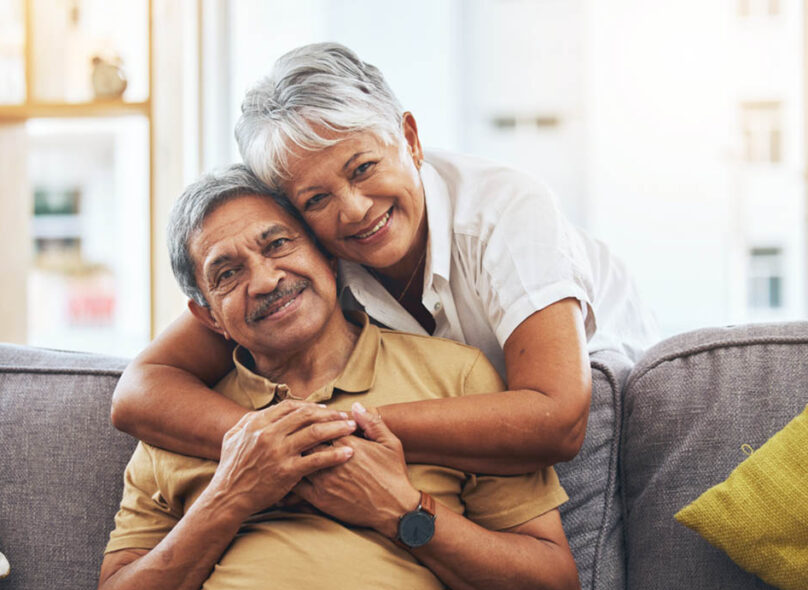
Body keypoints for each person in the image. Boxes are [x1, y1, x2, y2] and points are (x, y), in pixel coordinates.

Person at [12, 167, 580, 590]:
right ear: (209, 316)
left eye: (277, 244)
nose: (263, 281)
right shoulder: (182, 419)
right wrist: (230, 495)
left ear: (330, 258)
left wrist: (402, 510)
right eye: (228, 273)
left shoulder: (455, 377)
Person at [111, 43, 659, 475]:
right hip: (446, 453)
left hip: (617, 434)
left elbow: (559, 419)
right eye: (316, 200)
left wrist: (333, 428)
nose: (353, 211)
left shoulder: (506, 209)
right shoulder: (306, 258)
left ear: (410, 138)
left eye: (364, 167)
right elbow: (141, 391)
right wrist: (271, 441)